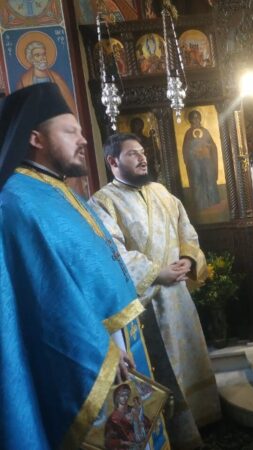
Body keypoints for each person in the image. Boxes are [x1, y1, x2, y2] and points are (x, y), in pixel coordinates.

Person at [0, 83, 145, 449]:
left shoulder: (58, 190)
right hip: (87, 358)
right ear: (36, 138)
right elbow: (46, 297)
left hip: (115, 347)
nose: (83, 140)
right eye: (70, 132)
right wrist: (103, 351)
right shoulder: (16, 202)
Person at [89, 133, 221, 449]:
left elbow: (186, 231)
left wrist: (189, 259)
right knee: (162, 373)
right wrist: (155, 273)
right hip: (144, 307)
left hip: (178, 299)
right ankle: (175, 436)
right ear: (113, 161)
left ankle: (204, 424)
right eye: (132, 154)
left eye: (142, 152)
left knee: (189, 364)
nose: (142, 158)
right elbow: (111, 252)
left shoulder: (161, 192)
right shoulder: (103, 202)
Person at [17, 40, 77, 113]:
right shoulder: (24, 81)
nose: (42, 58)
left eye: (44, 54)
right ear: (30, 59)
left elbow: (68, 103)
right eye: (37, 55)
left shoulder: (56, 78)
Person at [182, 110, 220, 210]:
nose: (196, 119)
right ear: (190, 120)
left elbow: (213, 146)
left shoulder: (205, 131)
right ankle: (200, 205)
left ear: (200, 118)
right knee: (197, 180)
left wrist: (207, 148)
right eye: (194, 118)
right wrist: (194, 152)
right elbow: (186, 149)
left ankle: (213, 202)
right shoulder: (188, 133)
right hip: (195, 162)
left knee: (209, 178)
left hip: (207, 160)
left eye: (197, 117)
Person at [129, 116, 162, 183]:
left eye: (140, 125)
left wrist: (152, 144)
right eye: (136, 125)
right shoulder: (129, 140)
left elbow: (154, 152)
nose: (139, 127)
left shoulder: (146, 139)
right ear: (132, 126)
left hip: (148, 165)